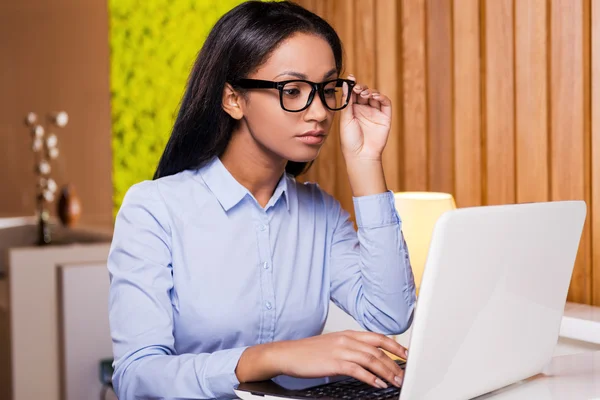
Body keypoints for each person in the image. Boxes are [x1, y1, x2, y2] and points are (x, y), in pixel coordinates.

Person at [107, 1, 416, 399]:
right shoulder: (153, 210)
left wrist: (366, 162)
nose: (320, 112)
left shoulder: (320, 211)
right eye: (293, 90)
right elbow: (136, 378)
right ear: (233, 99)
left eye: (326, 89)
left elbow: (390, 314)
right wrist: (273, 357)